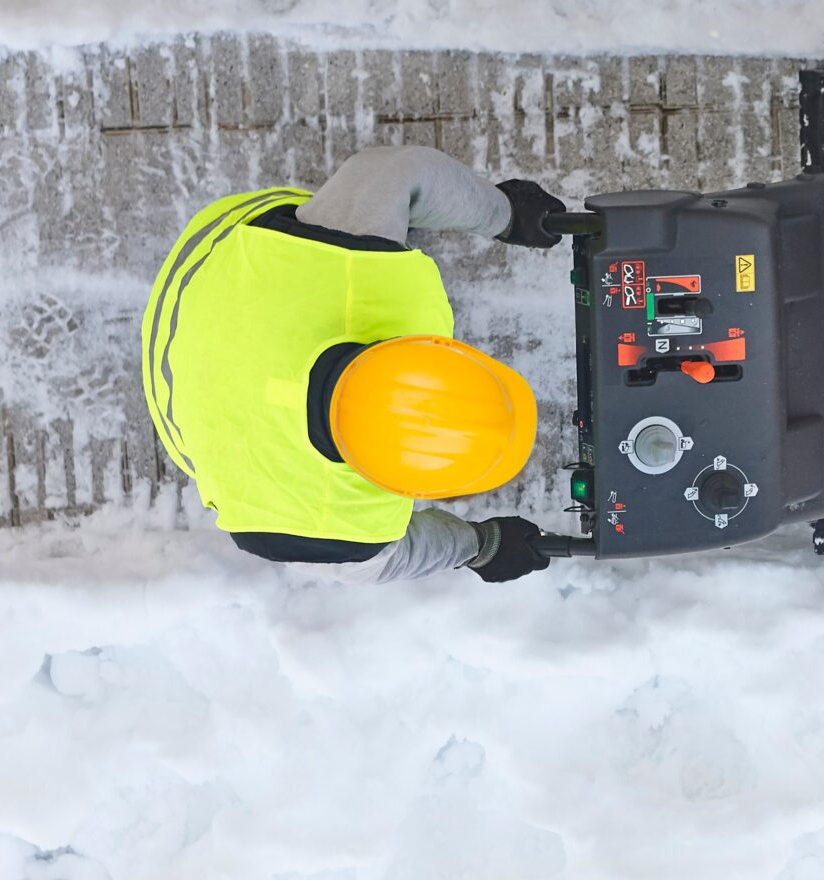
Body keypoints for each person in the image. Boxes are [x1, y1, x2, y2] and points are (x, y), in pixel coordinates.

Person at [139, 147, 569, 585]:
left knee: (361, 203)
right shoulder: (317, 533)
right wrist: (481, 547)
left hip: (208, 262)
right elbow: (380, 564)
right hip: (183, 403)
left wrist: (507, 213)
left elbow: (397, 168)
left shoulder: (342, 255)